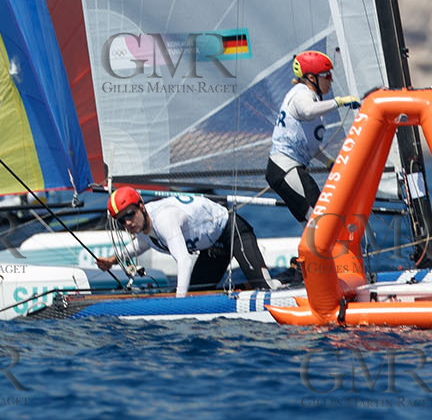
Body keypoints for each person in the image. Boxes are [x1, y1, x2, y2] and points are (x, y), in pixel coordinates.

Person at [94, 185, 278, 297]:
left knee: (265, 289)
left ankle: (285, 280)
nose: (127, 222)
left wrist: (179, 303)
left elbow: (183, 260)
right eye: (121, 220)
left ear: (141, 207)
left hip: (233, 231)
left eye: (130, 215)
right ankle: (244, 288)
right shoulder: (143, 224)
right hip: (213, 248)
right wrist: (112, 260)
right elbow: (142, 244)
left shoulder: (164, 218)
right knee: (199, 293)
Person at [265, 50, 360, 224]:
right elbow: (307, 111)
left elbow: (310, 147)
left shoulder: (313, 97)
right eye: (326, 75)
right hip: (285, 169)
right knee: (322, 221)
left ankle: (312, 252)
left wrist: (330, 162)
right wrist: (339, 102)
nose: (330, 79)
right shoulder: (301, 94)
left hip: (288, 169)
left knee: (313, 226)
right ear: (310, 78)